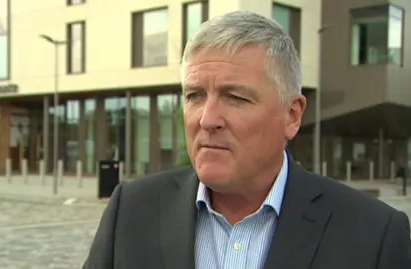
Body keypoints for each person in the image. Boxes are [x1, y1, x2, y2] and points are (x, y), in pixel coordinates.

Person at [82, 10, 411, 269]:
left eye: (235, 98)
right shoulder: (131, 210)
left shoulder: (373, 235)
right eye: (194, 96)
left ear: (293, 115)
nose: (207, 119)